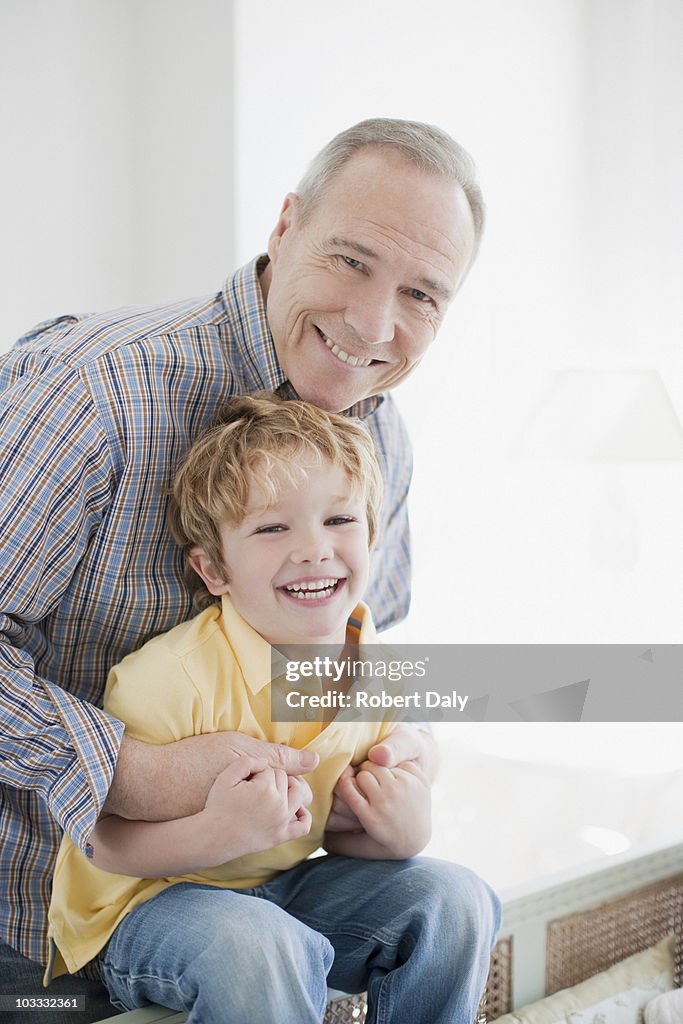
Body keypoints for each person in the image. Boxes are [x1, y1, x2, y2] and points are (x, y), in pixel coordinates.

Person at [0, 117, 484, 1017]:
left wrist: (403, 769)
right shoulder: (95, 391)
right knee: (249, 944)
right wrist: (128, 773)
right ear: (284, 224)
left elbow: (362, 663)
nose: (374, 323)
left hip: (272, 880)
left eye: (422, 294)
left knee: (449, 900)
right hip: (43, 915)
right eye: (350, 260)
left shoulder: (380, 434)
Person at [46, 394, 499, 1024]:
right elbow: (101, 843)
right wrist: (214, 834)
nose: (314, 549)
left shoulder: (379, 671)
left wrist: (400, 833)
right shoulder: (172, 678)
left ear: (373, 536)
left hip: (279, 894)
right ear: (213, 571)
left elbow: (335, 831)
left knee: (455, 899)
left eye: (339, 520)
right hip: (148, 906)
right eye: (271, 527)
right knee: (257, 944)